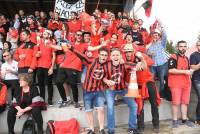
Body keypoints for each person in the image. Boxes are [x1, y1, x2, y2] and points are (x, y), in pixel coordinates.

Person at [68, 45, 108, 134]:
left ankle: (101, 129)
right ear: (98, 55)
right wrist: (72, 48)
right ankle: (91, 129)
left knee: (100, 109)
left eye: (105, 55)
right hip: (87, 91)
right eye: (102, 55)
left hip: (99, 91)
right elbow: (81, 56)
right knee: (89, 111)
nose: (103, 57)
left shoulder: (108, 64)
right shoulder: (92, 61)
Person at [123, 44, 160, 133]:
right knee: (140, 107)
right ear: (124, 52)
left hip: (149, 82)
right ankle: (141, 127)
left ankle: (156, 125)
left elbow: (151, 63)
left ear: (133, 51)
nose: (128, 53)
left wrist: (142, 60)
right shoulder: (123, 61)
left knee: (154, 104)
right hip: (137, 86)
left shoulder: (140, 55)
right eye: (126, 51)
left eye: (130, 51)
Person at [103, 48, 138, 134]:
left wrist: (139, 63)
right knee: (110, 108)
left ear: (120, 56)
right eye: (113, 55)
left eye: (117, 55)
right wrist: (107, 81)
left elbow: (136, 65)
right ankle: (111, 130)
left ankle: (132, 128)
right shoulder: (106, 65)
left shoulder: (124, 64)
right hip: (110, 90)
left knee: (134, 105)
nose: (115, 56)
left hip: (123, 89)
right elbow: (103, 77)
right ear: (110, 57)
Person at [168, 40, 195, 128]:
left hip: (186, 84)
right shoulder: (173, 56)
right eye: (181, 46)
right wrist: (185, 72)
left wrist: (190, 72)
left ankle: (184, 119)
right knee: (176, 103)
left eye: (184, 46)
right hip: (176, 84)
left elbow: (187, 71)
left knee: (185, 102)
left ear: (186, 47)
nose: (182, 48)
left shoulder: (187, 58)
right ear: (177, 47)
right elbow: (171, 70)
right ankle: (175, 120)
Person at [146, 20, 168, 98]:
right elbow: (145, 52)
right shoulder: (150, 44)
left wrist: (161, 26)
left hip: (162, 64)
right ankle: (152, 95)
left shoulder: (162, 43)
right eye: (154, 35)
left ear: (159, 36)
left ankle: (161, 95)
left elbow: (165, 35)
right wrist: (149, 53)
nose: (155, 36)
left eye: (157, 35)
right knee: (151, 80)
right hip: (153, 65)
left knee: (162, 80)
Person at [36, 29, 55, 105]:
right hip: (39, 66)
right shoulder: (39, 43)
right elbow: (36, 54)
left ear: (49, 35)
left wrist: (52, 67)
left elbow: (54, 56)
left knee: (49, 84)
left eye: (45, 34)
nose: (43, 35)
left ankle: (50, 100)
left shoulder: (52, 43)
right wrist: (38, 54)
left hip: (48, 66)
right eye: (43, 34)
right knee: (41, 84)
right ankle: (42, 100)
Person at [190, 40, 200, 125]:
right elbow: (193, 68)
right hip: (197, 80)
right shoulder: (193, 55)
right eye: (199, 45)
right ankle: (198, 118)